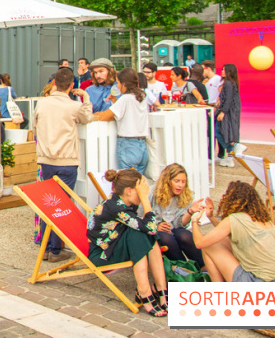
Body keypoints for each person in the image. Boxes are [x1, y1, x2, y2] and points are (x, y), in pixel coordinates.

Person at [87, 169, 168, 317]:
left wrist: (142, 198)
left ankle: (161, 289)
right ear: (129, 191)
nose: (144, 195)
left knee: (143, 233)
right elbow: (151, 227)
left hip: (114, 245)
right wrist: (145, 199)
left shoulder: (123, 202)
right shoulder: (117, 208)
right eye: (141, 192)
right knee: (138, 232)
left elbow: (149, 230)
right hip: (102, 256)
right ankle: (144, 291)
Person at [34, 67, 92, 262]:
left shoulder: (42, 104)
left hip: (46, 160)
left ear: (55, 83)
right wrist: (86, 97)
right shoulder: (73, 106)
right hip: (67, 160)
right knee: (62, 206)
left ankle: (46, 248)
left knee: (48, 205)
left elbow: (34, 126)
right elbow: (87, 118)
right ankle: (56, 250)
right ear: (72, 85)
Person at [191, 181, 275, 283]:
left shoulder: (235, 219)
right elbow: (224, 231)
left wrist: (194, 220)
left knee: (208, 246)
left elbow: (199, 243)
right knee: (223, 241)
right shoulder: (263, 219)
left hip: (259, 281)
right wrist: (211, 217)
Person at [149, 164, 205, 269]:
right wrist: (156, 226)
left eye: (183, 182)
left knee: (185, 235)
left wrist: (190, 212)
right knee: (166, 238)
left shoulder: (187, 195)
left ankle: (205, 268)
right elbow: (140, 216)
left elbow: (180, 224)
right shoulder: (152, 193)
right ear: (167, 181)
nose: (180, 185)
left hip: (174, 228)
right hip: (152, 231)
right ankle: (185, 270)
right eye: (177, 181)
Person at [96, 68, 149, 173]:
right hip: (142, 145)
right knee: (138, 182)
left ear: (124, 84)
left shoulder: (126, 98)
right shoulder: (141, 97)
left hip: (128, 145)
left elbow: (104, 117)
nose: (118, 86)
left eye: (118, 83)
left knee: (127, 181)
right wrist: (115, 101)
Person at [215, 64, 241, 168]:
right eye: (222, 70)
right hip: (228, 111)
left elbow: (229, 99)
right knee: (227, 134)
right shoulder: (229, 83)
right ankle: (230, 157)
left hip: (228, 112)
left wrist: (223, 112)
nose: (222, 72)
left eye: (224, 70)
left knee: (219, 131)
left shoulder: (229, 84)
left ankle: (235, 147)